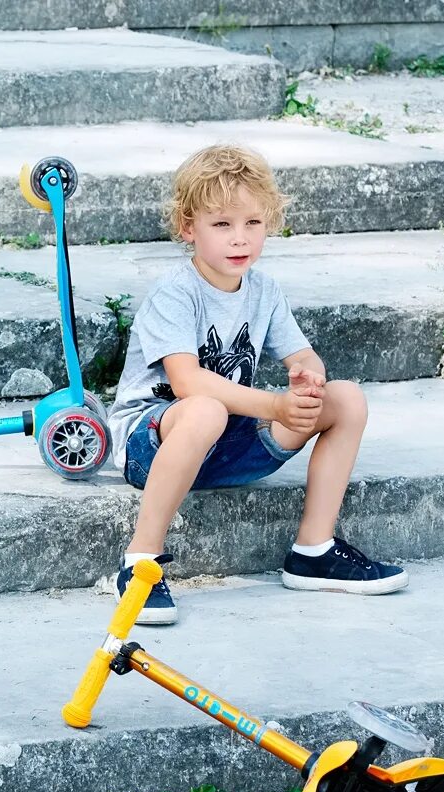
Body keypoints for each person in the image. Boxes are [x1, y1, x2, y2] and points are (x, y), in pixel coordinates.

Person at [106, 144, 406, 625]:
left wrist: (308, 376)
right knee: (206, 408)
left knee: (345, 399)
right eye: (222, 225)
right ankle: (140, 563)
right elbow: (186, 382)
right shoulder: (175, 293)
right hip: (153, 445)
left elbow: (300, 352)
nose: (239, 239)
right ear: (189, 228)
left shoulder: (263, 290)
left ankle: (313, 549)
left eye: (253, 223)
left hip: (228, 445)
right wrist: (274, 405)